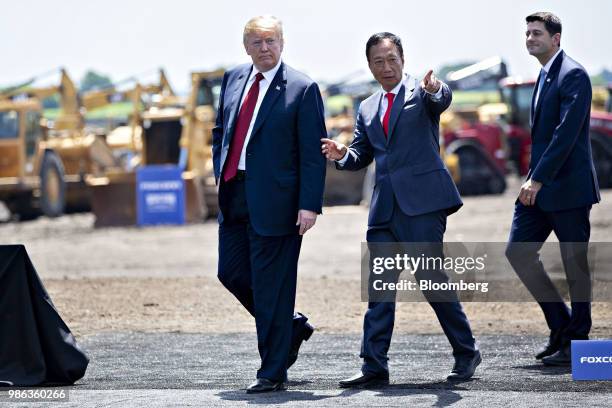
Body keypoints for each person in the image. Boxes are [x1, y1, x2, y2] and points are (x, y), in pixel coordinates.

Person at [321, 32, 481, 387]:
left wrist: (436, 89)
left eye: (392, 59)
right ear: (369, 66)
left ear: (403, 59)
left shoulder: (422, 94)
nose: (386, 67)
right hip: (383, 210)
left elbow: (441, 100)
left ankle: (466, 352)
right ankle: (374, 365)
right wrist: (341, 154)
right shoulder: (366, 107)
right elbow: (362, 154)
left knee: (431, 281)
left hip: (423, 204)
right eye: (378, 61)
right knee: (379, 288)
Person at [212, 15, 327, 393]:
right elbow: (221, 130)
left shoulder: (302, 87)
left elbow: (312, 154)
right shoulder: (232, 78)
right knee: (230, 273)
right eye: (258, 43)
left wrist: (309, 205)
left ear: (282, 43)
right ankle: (290, 327)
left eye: (272, 41)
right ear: (247, 47)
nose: (266, 49)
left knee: (271, 287)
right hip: (234, 195)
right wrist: (220, 168)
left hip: (279, 202)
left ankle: (272, 371)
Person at [505, 12, 600, 366]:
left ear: (556, 38)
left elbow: (566, 134)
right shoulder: (543, 76)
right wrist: (535, 180)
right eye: (527, 33)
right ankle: (560, 326)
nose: (530, 38)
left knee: (575, 265)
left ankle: (577, 340)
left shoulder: (573, 74)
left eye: (537, 33)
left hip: (567, 188)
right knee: (518, 252)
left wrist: (537, 178)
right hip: (539, 186)